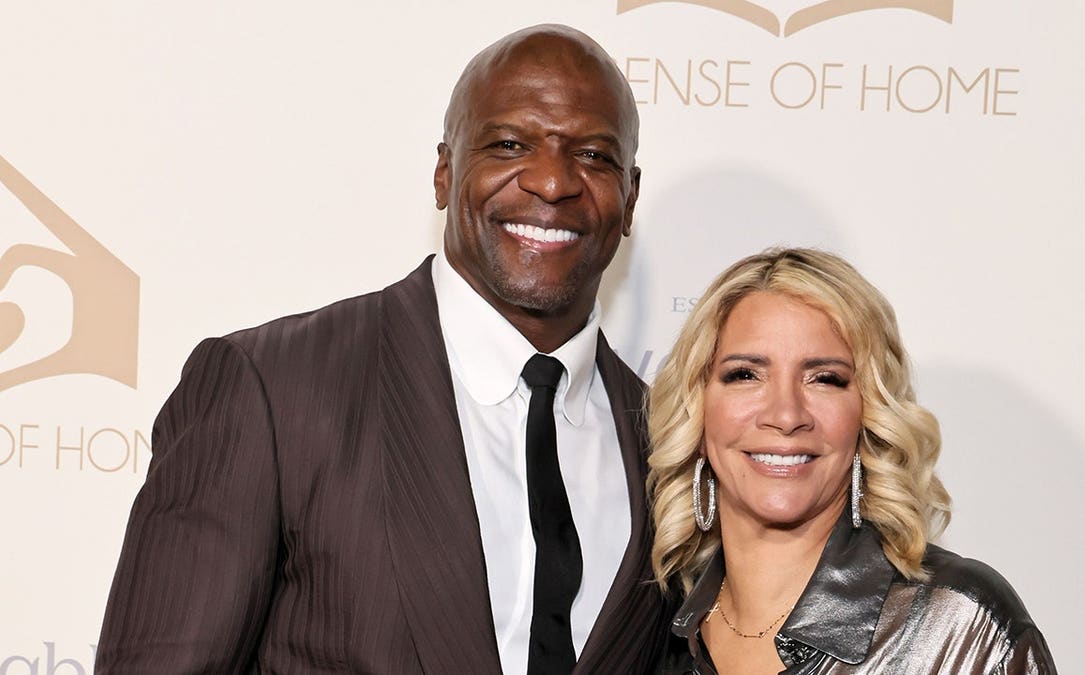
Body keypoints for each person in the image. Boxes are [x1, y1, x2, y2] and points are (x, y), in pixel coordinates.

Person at [96, 24, 670, 674]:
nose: (551, 180)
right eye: (510, 143)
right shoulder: (273, 389)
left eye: (593, 155)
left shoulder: (667, 444)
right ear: (444, 172)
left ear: (630, 198)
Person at [647, 248, 1056, 674]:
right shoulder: (654, 632)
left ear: (868, 415)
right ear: (697, 410)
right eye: (746, 375)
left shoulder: (959, 628)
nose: (786, 416)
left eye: (825, 379)